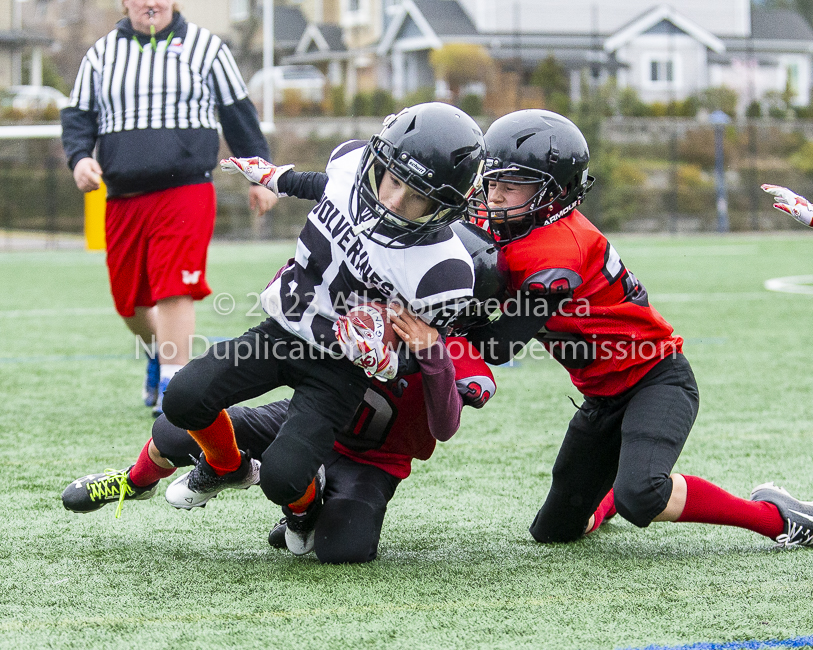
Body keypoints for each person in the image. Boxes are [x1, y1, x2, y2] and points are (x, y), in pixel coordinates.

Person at [464, 109, 813, 550]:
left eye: (510, 185)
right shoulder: (503, 222)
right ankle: (609, 494)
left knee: (642, 495)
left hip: (656, 379)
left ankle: (777, 517)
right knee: (554, 532)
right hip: (602, 395)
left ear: (555, 192)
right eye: (491, 181)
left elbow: (499, 346)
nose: (493, 197)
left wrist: (443, 329)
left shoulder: (558, 251)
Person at [61, 221, 504, 563]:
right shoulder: (366, 303)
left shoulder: (455, 351)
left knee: (344, 551)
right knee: (180, 423)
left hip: (372, 460)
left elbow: (444, 427)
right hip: (303, 416)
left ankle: (310, 501)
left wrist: (431, 356)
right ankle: (135, 481)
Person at [156, 102, 485, 550]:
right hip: (285, 330)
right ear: (377, 162)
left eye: (418, 197)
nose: (392, 201)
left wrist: (388, 357)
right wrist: (274, 177)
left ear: (443, 207)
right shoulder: (351, 164)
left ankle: (304, 510)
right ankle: (226, 467)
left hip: (340, 368)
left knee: (284, 477)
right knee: (183, 397)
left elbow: (421, 358)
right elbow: (327, 185)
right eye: (392, 181)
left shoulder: (442, 271)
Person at [60, 0, 277, 416]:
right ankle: (161, 354)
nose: (151, 3)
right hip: (123, 195)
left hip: (187, 188)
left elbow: (239, 116)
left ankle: (173, 388)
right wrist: (80, 158)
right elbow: (79, 116)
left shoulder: (207, 48)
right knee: (131, 303)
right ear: (126, 2)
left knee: (175, 288)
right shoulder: (101, 54)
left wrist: (260, 176)